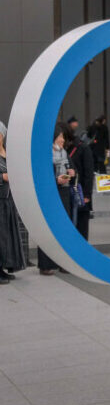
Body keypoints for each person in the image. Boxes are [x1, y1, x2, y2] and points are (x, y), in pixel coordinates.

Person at [38, 125, 75, 275]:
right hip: (50, 194)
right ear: (53, 138)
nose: (63, 140)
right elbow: (41, 176)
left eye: (63, 137)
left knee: (63, 228)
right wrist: (56, 180)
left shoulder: (64, 153)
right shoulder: (44, 154)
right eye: (60, 137)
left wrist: (71, 172)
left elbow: (72, 169)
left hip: (64, 193)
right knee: (48, 228)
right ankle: (45, 265)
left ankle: (63, 263)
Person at [0, 121, 26, 284]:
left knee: (7, 236)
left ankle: (4, 267)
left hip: (9, 198)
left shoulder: (7, 152)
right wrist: (2, 177)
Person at [61, 122, 94, 240]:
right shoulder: (60, 150)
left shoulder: (82, 147)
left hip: (80, 193)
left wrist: (87, 195)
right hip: (67, 194)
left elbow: (89, 173)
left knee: (81, 227)